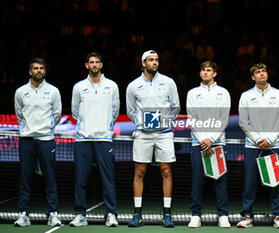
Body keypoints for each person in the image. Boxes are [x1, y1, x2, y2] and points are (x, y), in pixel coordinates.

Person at [126, 50, 180, 227]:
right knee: (139, 172)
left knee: (166, 171)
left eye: (156, 60)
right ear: (143, 63)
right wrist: (141, 124)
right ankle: (137, 215)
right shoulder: (133, 85)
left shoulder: (168, 82)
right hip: (143, 135)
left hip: (164, 134)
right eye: (151, 60)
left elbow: (175, 106)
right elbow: (130, 111)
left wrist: (165, 122)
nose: (154, 63)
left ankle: (167, 215)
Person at [70, 52, 120, 227]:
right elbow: (75, 111)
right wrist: (87, 126)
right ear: (86, 65)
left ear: (101, 64)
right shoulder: (78, 87)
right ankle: (80, 214)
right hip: (83, 140)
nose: (94, 65)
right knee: (81, 180)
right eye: (91, 62)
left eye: (97, 62)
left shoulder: (112, 86)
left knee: (108, 179)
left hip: (104, 139)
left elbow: (115, 110)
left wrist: (104, 127)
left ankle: (111, 214)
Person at [14, 57, 62, 227]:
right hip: (27, 139)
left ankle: (53, 213)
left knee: (50, 178)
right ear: (30, 71)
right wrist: (28, 128)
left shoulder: (53, 91)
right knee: (25, 177)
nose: (39, 71)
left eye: (41, 68)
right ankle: (23, 213)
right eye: (35, 68)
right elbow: (19, 115)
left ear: (45, 71)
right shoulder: (20, 92)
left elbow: (56, 114)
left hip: (46, 139)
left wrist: (45, 128)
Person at [237, 63, 279, 228]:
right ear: (253, 77)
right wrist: (258, 139)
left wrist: (269, 140)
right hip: (252, 146)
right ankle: (247, 217)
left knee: (275, 183)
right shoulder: (246, 96)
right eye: (258, 72)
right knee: (250, 183)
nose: (261, 74)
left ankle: (278, 217)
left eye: (263, 71)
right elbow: (243, 122)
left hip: (272, 146)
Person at [186, 60, 231, 228]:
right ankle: (196, 215)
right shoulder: (192, 93)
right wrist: (202, 139)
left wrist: (211, 139)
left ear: (215, 73)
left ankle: (223, 215)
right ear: (200, 73)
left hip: (218, 143)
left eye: (209, 70)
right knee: (197, 181)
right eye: (203, 70)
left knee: (220, 180)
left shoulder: (223, 93)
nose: (205, 73)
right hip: (198, 144)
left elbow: (223, 118)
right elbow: (192, 118)